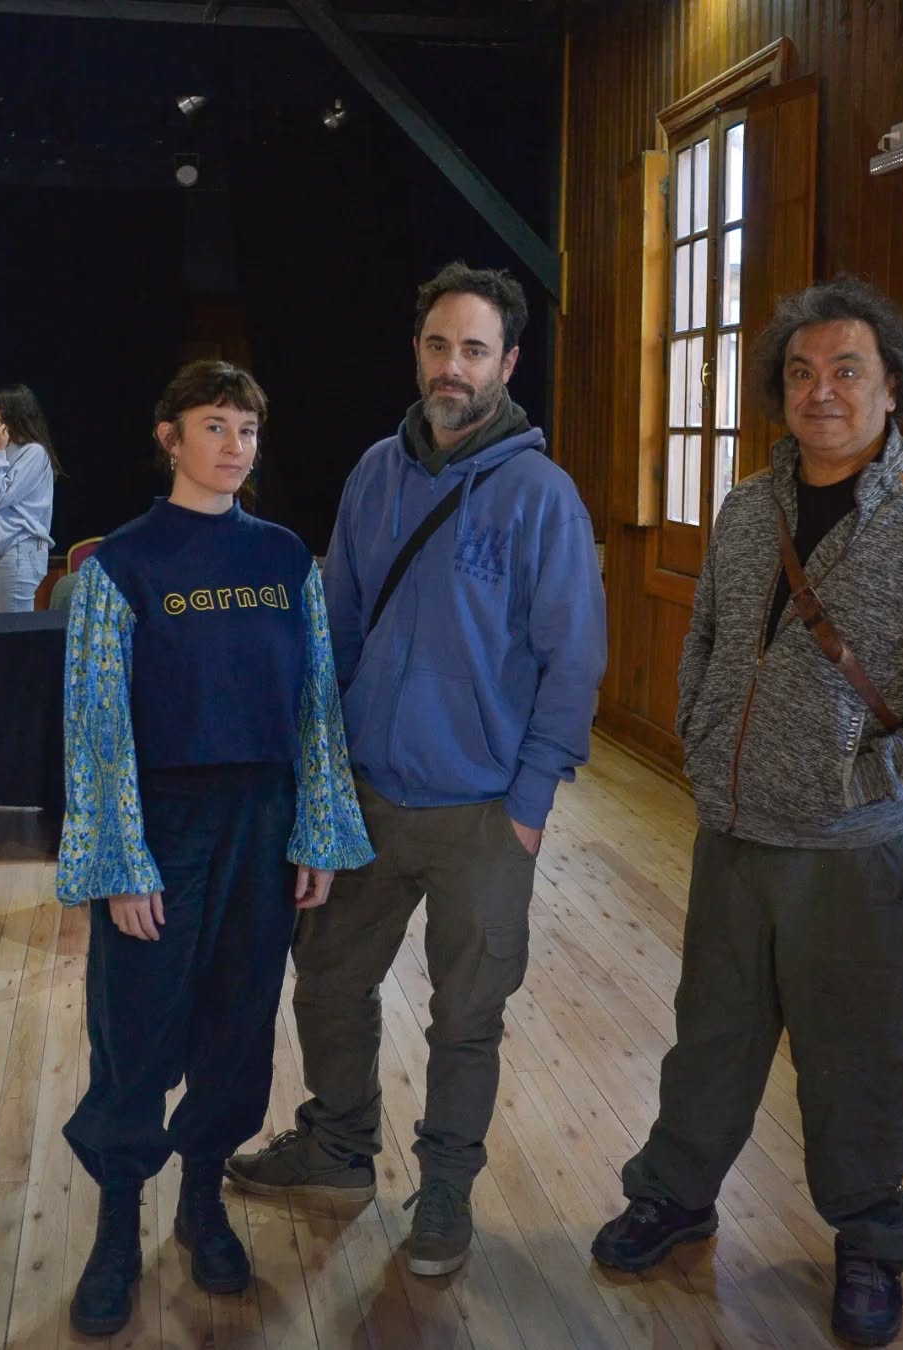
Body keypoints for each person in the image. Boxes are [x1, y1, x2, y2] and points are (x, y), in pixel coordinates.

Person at [590, 277, 903, 1347]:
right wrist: (698, 737)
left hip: (855, 853)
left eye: (847, 370)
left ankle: (870, 1238)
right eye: (801, 372)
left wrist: (875, 780)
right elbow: (707, 634)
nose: (822, 391)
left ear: (891, 386)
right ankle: (675, 1195)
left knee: (857, 1055)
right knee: (711, 1037)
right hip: (733, 833)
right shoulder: (748, 507)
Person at [227, 262, 607, 1277]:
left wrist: (529, 804)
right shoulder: (374, 474)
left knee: (466, 1015)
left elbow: (573, 661)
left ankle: (444, 1188)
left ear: (508, 364)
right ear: (417, 352)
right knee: (327, 980)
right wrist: (324, 774)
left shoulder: (541, 496)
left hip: (484, 812)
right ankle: (339, 1145)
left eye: (474, 350)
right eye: (438, 345)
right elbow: (338, 628)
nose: (452, 367)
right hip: (366, 795)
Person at [56, 360, 373, 1338]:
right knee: (136, 1028)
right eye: (214, 426)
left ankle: (200, 1204)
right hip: (162, 822)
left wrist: (317, 828)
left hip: (262, 825)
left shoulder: (285, 561)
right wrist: (122, 861)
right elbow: (96, 724)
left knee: (238, 1024)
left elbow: (316, 705)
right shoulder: (120, 565)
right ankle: (117, 1227)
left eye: (247, 429)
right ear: (170, 438)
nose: (235, 446)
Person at [0, 383, 61, 613]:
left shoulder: (34, 453)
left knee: (13, 630)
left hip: (18, 550)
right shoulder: (6, 449)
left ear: (12, 413)